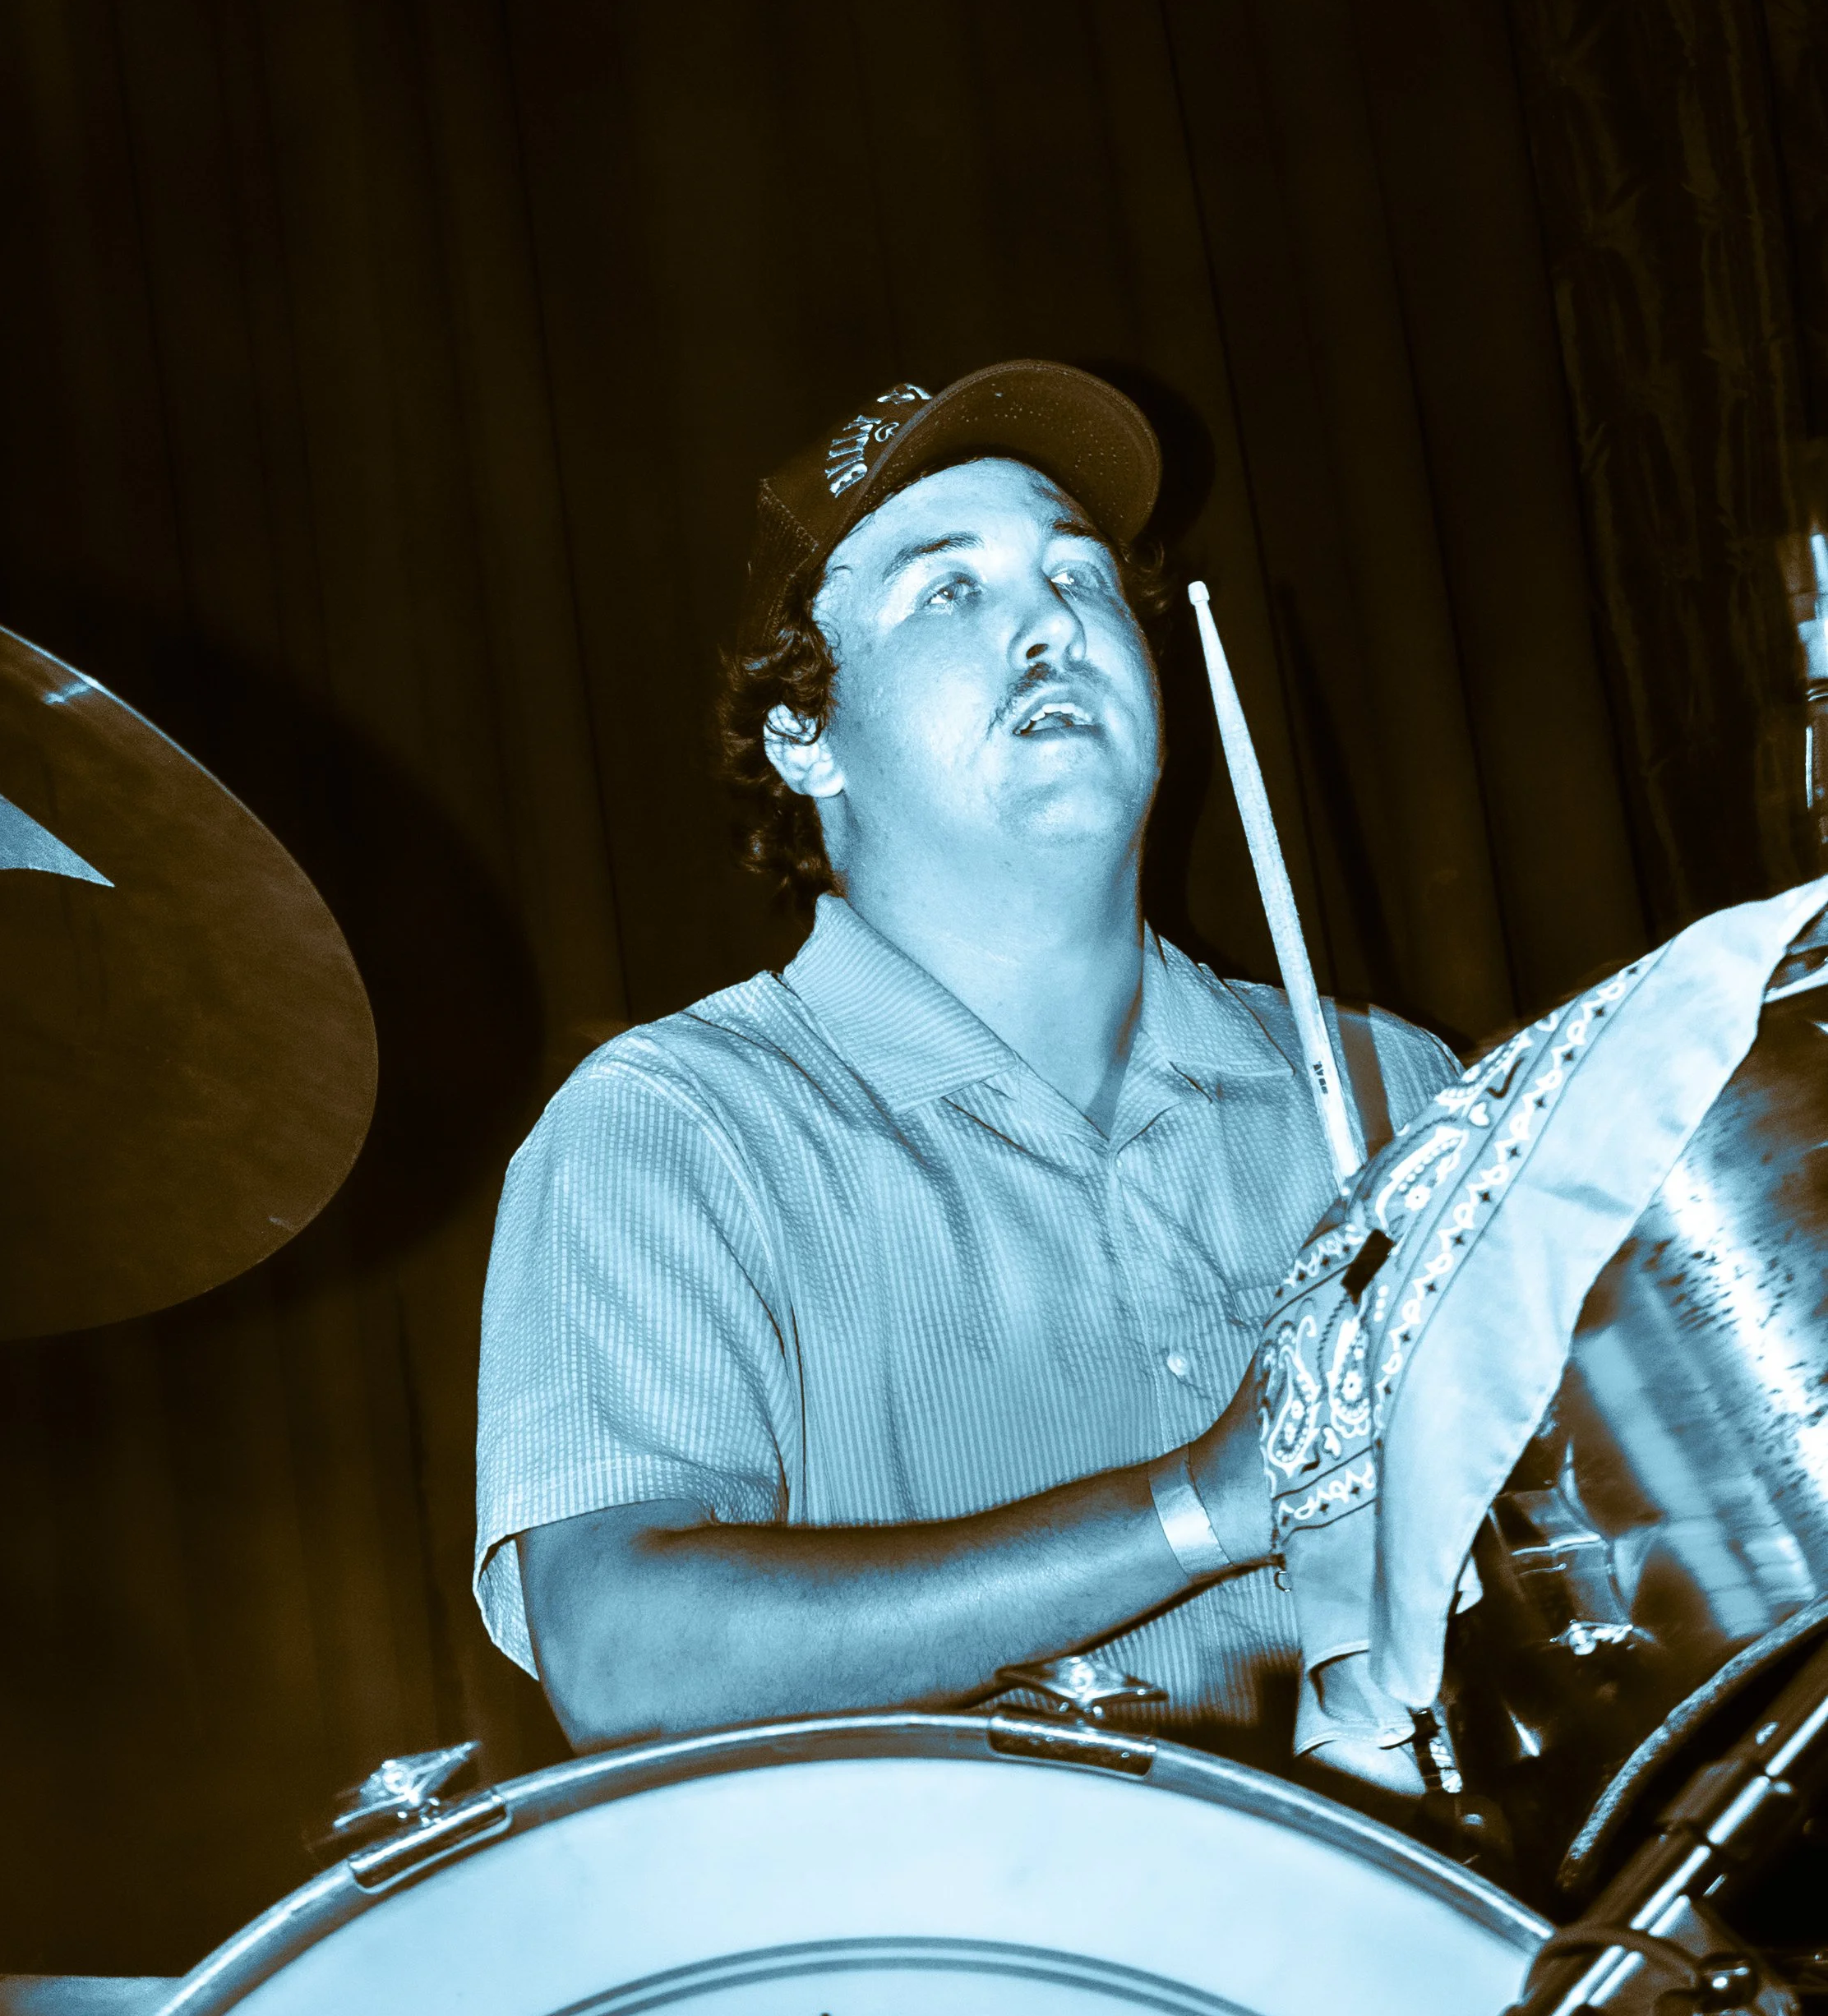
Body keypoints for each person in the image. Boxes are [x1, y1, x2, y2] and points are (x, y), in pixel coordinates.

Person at [474, 362, 1456, 1758]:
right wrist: (1193, 1505)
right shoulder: (674, 1126)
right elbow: (624, 1655)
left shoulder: (1387, 1089)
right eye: (949, 590)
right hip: (939, 1961)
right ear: (806, 735)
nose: (1050, 622)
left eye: (1081, 576)